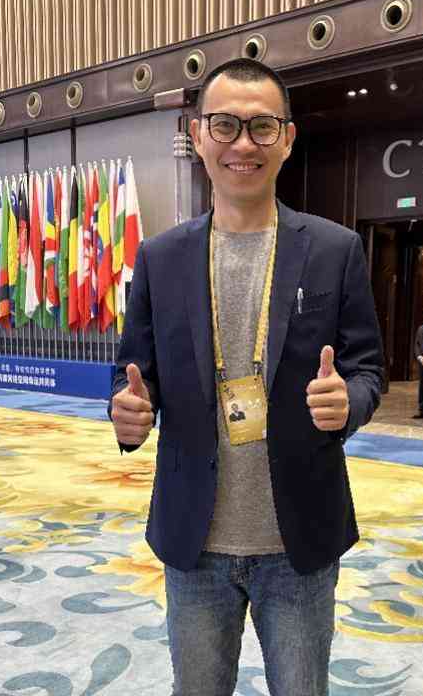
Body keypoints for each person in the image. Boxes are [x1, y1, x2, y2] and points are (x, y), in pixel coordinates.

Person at [109, 57, 383, 696]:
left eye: (262, 127)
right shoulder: (160, 258)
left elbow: (367, 368)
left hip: (299, 541)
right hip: (195, 541)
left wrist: (350, 401)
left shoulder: (335, 249)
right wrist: (127, 412)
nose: (243, 144)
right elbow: (131, 375)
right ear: (198, 135)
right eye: (225, 125)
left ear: (287, 139)